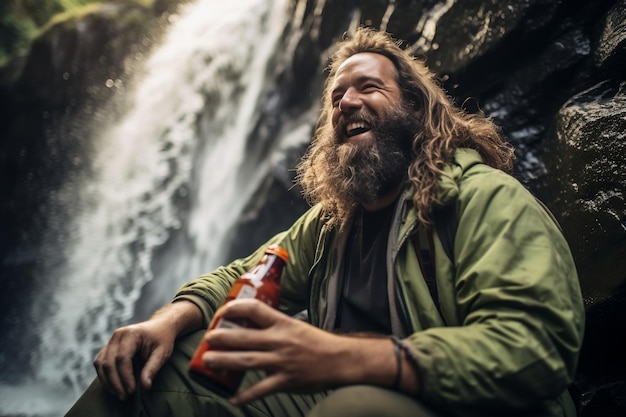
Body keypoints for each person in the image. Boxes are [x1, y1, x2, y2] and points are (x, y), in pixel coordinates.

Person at [66, 27, 585, 417]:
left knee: (353, 407)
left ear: (417, 108)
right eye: (336, 96)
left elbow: (537, 346)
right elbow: (245, 278)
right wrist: (164, 321)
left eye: (368, 88)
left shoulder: (484, 199)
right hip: (343, 392)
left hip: (461, 405)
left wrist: (348, 358)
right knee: (152, 372)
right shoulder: (333, 223)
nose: (347, 102)